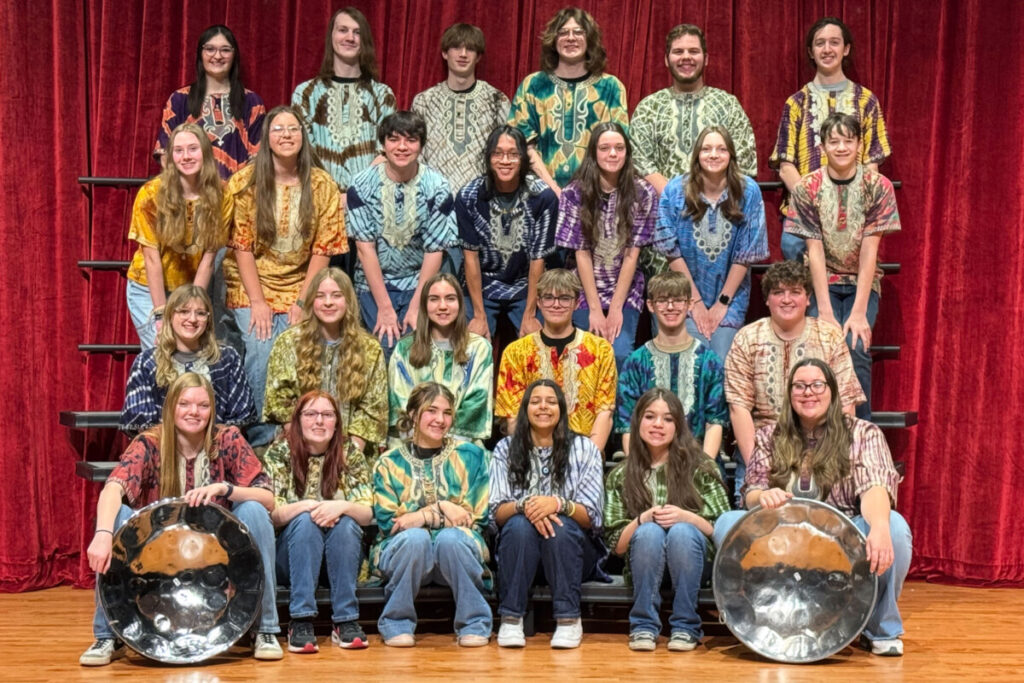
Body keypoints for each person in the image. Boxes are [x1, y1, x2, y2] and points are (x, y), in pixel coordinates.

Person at [712, 359, 911, 656]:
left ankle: (879, 627)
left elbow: (874, 486)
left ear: (831, 391)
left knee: (893, 526)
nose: (809, 392)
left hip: (842, 541)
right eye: (800, 386)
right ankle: (759, 622)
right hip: (780, 541)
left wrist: (880, 527)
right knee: (728, 522)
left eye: (817, 385)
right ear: (789, 393)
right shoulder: (769, 436)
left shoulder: (863, 433)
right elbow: (751, 490)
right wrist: (762, 497)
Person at [80, 373, 281, 666]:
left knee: (253, 510)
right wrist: (101, 533)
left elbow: (268, 498)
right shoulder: (150, 442)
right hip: (158, 563)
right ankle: (106, 635)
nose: (193, 412)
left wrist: (226, 489)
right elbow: (114, 486)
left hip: (218, 564)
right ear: (171, 407)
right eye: (185, 404)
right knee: (118, 516)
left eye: (202, 405)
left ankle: (266, 629)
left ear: (212, 409)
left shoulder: (227, 438)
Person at [223, 105, 347, 447]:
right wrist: (259, 302)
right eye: (278, 129)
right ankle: (262, 440)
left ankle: (302, 435)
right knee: (261, 347)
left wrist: (301, 302)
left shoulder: (322, 185)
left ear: (304, 136)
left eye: (293, 129)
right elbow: (242, 247)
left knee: (300, 344)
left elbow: (323, 249)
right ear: (267, 138)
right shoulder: (246, 182)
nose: (286, 135)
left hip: (302, 284)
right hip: (251, 284)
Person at [785, 113, 900, 421]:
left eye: (848, 141)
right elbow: (814, 250)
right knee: (820, 347)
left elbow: (870, 250)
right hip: (823, 282)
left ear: (859, 145)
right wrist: (823, 310)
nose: (841, 148)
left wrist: (860, 312)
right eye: (833, 141)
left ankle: (861, 434)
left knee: (856, 344)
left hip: (862, 282)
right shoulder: (807, 187)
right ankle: (820, 432)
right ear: (822, 147)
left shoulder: (878, 186)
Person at [724, 260, 865, 498]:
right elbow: (739, 409)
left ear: (808, 298)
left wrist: (828, 461)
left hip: (822, 455)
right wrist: (757, 471)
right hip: (762, 453)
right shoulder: (746, 339)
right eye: (778, 292)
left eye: (795, 292)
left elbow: (846, 405)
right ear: (767, 299)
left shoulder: (829, 337)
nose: (786, 299)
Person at [603, 389, 730, 652]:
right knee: (649, 532)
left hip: (695, 566)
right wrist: (642, 519)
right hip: (642, 566)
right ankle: (643, 626)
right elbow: (616, 546)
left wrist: (687, 517)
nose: (658, 425)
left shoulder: (702, 466)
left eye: (668, 419)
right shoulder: (621, 475)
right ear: (638, 422)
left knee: (682, 532)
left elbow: (723, 534)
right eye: (650, 417)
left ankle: (686, 626)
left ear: (678, 426)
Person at [371, 383, 491, 647]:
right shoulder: (389, 463)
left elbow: (475, 518)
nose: (440, 420)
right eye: (431, 411)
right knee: (415, 540)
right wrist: (441, 509)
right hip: (406, 555)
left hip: (457, 553)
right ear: (413, 414)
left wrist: (421, 516)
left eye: (447, 413)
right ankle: (396, 623)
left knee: (451, 539)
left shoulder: (472, 457)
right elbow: (390, 523)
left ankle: (474, 623)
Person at [490, 380, 606, 649]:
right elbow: (496, 513)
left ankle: (568, 620)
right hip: (519, 551)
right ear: (525, 409)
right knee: (519, 525)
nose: (543, 406)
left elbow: (592, 517)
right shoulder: (505, 449)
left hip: (574, 553)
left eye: (551, 401)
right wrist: (527, 506)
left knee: (560, 526)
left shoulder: (585, 449)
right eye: (536, 401)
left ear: (562, 409)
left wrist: (557, 504)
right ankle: (511, 619)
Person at [770, 16, 892, 260]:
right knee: (793, 248)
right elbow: (785, 167)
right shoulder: (796, 103)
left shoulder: (866, 101)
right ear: (811, 52)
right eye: (820, 43)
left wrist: (852, 207)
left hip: (853, 211)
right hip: (805, 211)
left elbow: (871, 164)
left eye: (834, 42)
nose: (827, 49)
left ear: (845, 49)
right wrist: (816, 205)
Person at [263, 391, 374, 653]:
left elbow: (369, 513)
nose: (319, 421)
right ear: (298, 420)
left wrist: (341, 506)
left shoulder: (350, 454)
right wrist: (307, 506)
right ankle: (300, 621)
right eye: (311, 414)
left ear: (337, 421)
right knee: (304, 521)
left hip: (340, 558)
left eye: (327, 415)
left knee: (347, 523)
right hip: (291, 559)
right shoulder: (279, 453)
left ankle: (345, 620)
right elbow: (271, 515)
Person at [346, 111, 459, 356]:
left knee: (414, 350)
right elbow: (365, 250)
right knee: (386, 348)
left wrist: (418, 304)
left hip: (419, 281)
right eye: (394, 139)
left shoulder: (437, 187)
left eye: (410, 140)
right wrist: (384, 307)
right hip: (373, 283)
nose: (402, 147)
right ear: (383, 144)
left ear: (421, 145)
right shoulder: (361, 185)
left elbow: (434, 250)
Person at [653, 125, 768, 360]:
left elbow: (745, 255)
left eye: (721, 149)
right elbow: (671, 251)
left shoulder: (749, 191)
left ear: (731, 155)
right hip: (683, 297)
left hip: (730, 297)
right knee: (691, 358)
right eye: (706, 149)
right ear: (697, 155)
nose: (713, 154)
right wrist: (693, 302)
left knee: (721, 360)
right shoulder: (675, 190)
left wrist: (721, 304)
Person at [556, 122, 657, 367]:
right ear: (593, 153)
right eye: (605, 148)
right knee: (587, 356)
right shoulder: (573, 193)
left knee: (619, 353)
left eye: (619, 148)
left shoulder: (643, 192)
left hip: (624, 290)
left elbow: (633, 255)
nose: (612, 154)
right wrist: (594, 310)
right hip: (583, 289)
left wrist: (615, 309)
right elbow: (581, 254)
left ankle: (617, 406)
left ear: (627, 153)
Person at [263, 267, 388, 457]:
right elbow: (279, 401)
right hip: (299, 445)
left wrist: (347, 458)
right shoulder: (288, 343)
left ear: (348, 301)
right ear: (312, 301)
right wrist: (305, 449)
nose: (328, 302)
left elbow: (373, 408)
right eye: (321, 296)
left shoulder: (370, 349)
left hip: (351, 450)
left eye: (337, 295)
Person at [128, 123, 227, 349]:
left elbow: (209, 258)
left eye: (193, 149)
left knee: (189, 353)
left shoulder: (222, 194)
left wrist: (192, 307)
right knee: (163, 351)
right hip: (148, 287)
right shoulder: (151, 194)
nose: (186, 157)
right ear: (171, 157)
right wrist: (161, 316)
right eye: (179, 151)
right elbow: (151, 259)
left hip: (190, 286)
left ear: (205, 152)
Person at [509, 7, 629, 192]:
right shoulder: (533, 85)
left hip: (596, 196)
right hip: (541, 195)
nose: (571, 38)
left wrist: (585, 194)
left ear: (589, 39)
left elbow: (617, 148)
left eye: (578, 32)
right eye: (563, 32)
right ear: (553, 40)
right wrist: (554, 191)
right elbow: (523, 146)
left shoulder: (611, 88)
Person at [495, 269, 617, 451]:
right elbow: (512, 415)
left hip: (585, 453)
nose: (556, 304)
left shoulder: (600, 350)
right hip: (531, 454)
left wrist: (588, 459)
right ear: (538, 302)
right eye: (548, 297)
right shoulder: (516, 352)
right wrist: (533, 456)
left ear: (576, 303)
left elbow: (604, 412)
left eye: (564, 298)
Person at [458, 126, 558, 340]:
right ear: (488, 157)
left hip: (524, 284)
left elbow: (537, 260)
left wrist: (530, 314)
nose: (505, 160)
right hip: (482, 284)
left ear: (523, 159)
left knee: (535, 343)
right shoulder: (469, 196)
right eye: (498, 153)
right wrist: (478, 314)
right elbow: (470, 258)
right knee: (473, 342)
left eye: (513, 154)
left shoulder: (543, 197)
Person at [631, 24, 757, 193]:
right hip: (663, 211)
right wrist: (674, 197)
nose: (686, 57)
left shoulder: (728, 105)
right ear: (666, 60)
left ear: (706, 59)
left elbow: (744, 162)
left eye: (693, 51)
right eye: (678, 52)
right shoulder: (648, 108)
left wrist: (709, 198)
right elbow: (639, 161)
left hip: (720, 208)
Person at [615, 272, 727, 457]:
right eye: (662, 300)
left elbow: (714, 421)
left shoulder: (710, 362)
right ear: (650, 305)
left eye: (678, 300)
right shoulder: (635, 362)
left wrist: (704, 470)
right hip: (647, 462)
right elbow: (627, 424)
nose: (670, 307)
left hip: (697, 462)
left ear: (690, 304)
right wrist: (640, 470)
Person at [291, 7, 396, 195]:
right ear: (331, 36)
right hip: (319, 200)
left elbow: (387, 152)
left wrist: (355, 195)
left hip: (369, 201)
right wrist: (330, 196)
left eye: (357, 32)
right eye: (343, 30)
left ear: (364, 41)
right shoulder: (305, 94)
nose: (350, 37)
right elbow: (303, 151)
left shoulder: (382, 95)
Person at [121, 285, 254, 432]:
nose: (192, 319)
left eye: (201, 313)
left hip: (216, 446)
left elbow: (241, 417)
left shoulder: (227, 358)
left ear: (208, 320)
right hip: (162, 447)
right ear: (170, 316)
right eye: (184, 311)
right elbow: (139, 423)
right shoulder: (146, 362)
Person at [388, 273, 493, 444]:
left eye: (450, 298)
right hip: (413, 442)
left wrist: (445, 443)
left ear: (460, 304)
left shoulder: (479, 349)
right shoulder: (405, 348)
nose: (442, 306)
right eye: (434, 299)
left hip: (461, 444)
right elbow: (401, 402)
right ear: (424, 305)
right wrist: (423, 443)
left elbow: (476, 402)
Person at [153, 25, 265, 179]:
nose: (217, 56)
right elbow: (165, 152)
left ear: (234, 55)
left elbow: (258, 157)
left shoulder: (252, 102)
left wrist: (238, 190)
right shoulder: (179, 99)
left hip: (238, 195)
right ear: (200, 54)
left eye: (225, 50)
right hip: (191, 194)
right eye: (210, 49)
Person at [412, 23, 511, 193]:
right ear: (445, 53)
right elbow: (415, 155)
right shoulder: (424, 102)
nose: (463, 54)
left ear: (478, 56)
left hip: (482, 201)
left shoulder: (497, 100)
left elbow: (509, 153)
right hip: (434, 201)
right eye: (456, 47)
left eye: (470, 49)